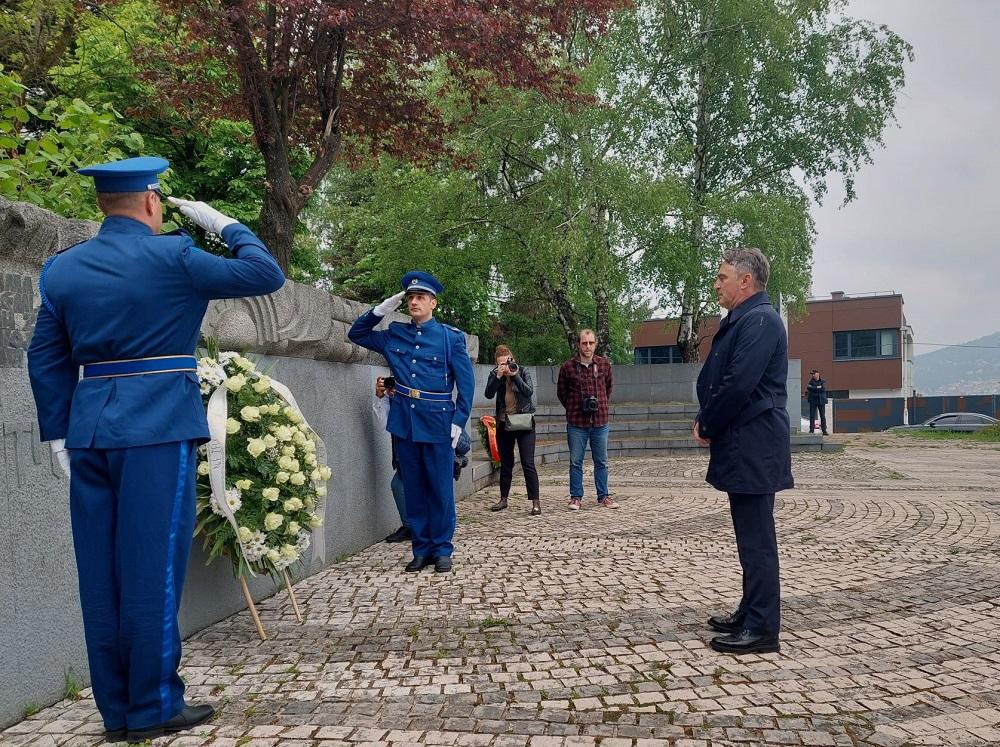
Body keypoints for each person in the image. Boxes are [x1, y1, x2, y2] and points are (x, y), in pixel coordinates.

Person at [26, 156, 285, 741]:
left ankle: (115, 709)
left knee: (101, 571)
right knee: (151, 567)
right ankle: (152, 706)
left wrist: (63, 432)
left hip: (89, 429)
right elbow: (265, 274)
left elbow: (44, 356)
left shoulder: (62, 269)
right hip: (157, 426)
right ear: (151, 202)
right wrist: (222, 224)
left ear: (102, 204)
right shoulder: (175, 257)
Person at [693, 247, 792, 655]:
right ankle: (751, 610)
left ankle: (763, 628)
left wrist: (708, 423)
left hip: (754, 443)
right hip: (745, 444)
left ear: (745, 281)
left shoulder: (762, 320)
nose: (717, 284)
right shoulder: (747, 318)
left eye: (722, 277)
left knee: (757, 540)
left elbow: (737, 384)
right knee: (748, 535)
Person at [348, 271, 475, 574]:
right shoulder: (395, 334)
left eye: (421, 297)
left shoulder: (449, 338)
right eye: (410, 298)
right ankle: (421, 549)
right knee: (414, 488)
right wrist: (380, 310)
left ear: (433, 303)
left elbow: (466, 386)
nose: (414, 301)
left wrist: (457, 422)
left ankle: (442, 549)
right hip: (405, 421)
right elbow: (356, 334)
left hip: (438, 423)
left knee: (440, 489)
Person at [557, 329, 618, 510]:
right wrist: (574, 407)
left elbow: (608, 389)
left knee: (602, 461)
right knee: (576, 461)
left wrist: (599, 404)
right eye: (584, 343)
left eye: (591, 343)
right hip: (577, 422)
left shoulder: (604, 364)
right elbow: (562, 393)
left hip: (600, 421)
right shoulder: (567, 367)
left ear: (595, 344)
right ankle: (576, 497)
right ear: (578, 344)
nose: (588, 346)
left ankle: (603, 496)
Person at [484, 344, 540, 515]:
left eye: (508, 362)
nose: (506, 366)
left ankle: (536, 502)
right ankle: (503, 499)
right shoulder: (495, 374)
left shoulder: (522, 371)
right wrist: (498, 376)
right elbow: (488, 394)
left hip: (524, 423)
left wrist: (515, 376)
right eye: (501, 364)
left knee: (527, 463)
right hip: (504, 424)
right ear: (497, 364)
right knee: (506, 463)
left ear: (512, 359)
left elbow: (528, 392)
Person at [374, 376, 410, 543]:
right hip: (402, 451)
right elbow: (382, 424)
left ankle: (421, 527)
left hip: (418, 447)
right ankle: (410, 526)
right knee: (398, 484)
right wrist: (382, 397)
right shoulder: (391, 397)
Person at [806, 369, 829, 435]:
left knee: (822, 416)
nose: (813, 375)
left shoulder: (823, 381)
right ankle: (811, 430)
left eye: (814, 374)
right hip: (813, 400)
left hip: (821, 400)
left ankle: (824, 431)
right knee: (812, 416)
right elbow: (809, 388)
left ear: (817, 374)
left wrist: (814, 388)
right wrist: (817, 387)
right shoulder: (810, 382)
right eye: (812, 374)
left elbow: (823, 389)